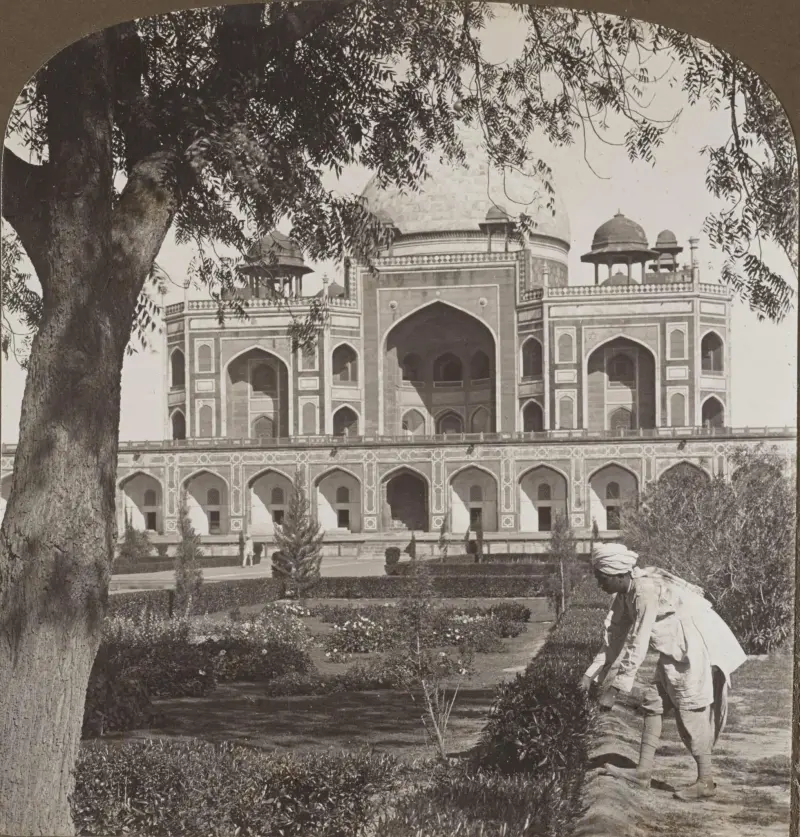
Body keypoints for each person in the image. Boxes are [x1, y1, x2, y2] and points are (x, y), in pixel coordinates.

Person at [582, 542, 746, 801]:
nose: (599, 584)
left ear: (618, 574)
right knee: (653, 700)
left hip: (694, 649)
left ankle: (706, 782)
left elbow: (638, 640)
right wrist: (590, 674)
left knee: (690, 714)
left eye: (601, 578)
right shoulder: (625, 593)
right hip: (676, 649)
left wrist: (613, 689)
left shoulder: (645, 591)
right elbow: (614, 635)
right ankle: (643, 772)